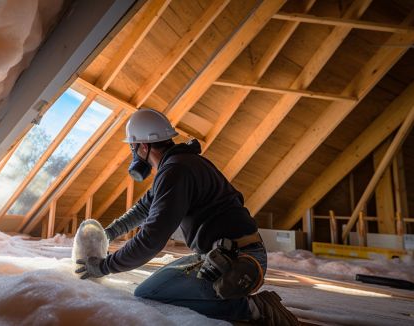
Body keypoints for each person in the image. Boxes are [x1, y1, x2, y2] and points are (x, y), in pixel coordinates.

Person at [75, 108, 299, 325]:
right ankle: (226, 284)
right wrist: (107, 234)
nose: (133, 153)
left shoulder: (176, 171)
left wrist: (105, 266)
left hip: (239, 257)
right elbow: (143, 210)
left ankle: (253, 308)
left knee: (149, 293)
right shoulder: (178, 164)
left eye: (133, 147)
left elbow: (151, 239)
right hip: (218, 253)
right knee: (156, 287)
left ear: (143, 146)